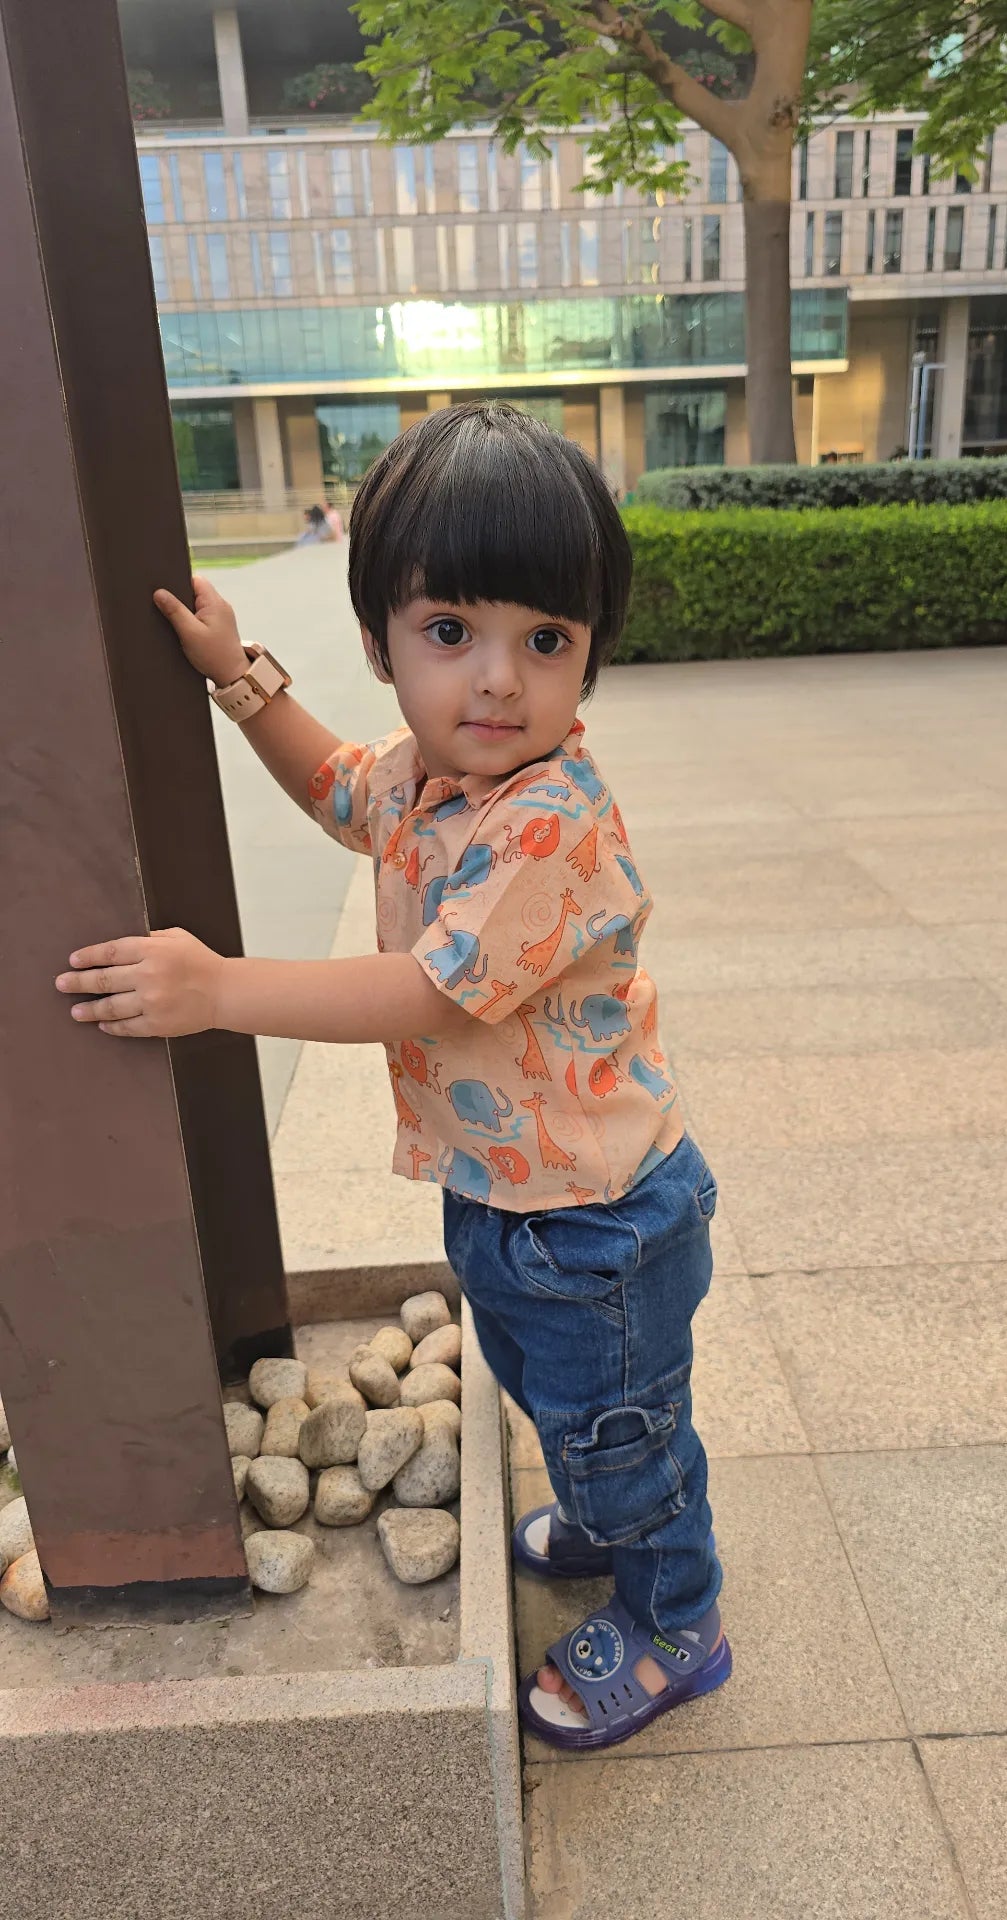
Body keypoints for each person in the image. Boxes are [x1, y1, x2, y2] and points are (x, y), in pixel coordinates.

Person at [55, 403, 730, 1752]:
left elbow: (424, 989)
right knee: (568, 1405)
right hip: (512, 1197)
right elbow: (334, 788)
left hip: (599, 1225)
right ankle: (607, 1517)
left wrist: (216, 989)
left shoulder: (549, 821)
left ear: (591, 655)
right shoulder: (428, 777)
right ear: (381, 641)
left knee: (624, 1432)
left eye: (547, 642)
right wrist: (238, 679)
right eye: (452, 635)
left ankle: (679, 1620)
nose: (498, 681)